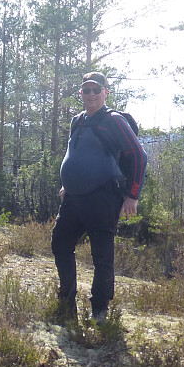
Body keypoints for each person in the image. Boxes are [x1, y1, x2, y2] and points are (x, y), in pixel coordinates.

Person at [51, 72, 147, 323]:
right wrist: (66, 184)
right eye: (86, 90)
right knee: (60, 244)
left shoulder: (114, 121)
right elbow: (75, 153)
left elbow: (138, 155)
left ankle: (100, 310)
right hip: (73, 197)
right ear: (81, 93)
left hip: (103, 196)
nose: (91, 94)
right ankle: (67, 302)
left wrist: (132, 196)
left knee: (102, 254)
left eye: (96, 90)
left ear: (106, 92)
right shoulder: (77, 121)